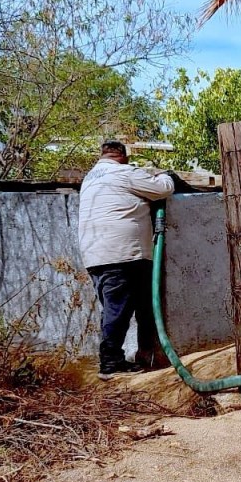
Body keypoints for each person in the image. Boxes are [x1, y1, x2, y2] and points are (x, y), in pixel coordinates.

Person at [78, 141, 174, 380]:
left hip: (97, 255)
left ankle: (139, 355)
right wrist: (162, 173)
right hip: (123, 254)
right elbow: (163, 188)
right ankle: (110, 363)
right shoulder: (123, 172)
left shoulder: (90, 178)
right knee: (119, 309)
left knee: (115, 308)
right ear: (123, 156)